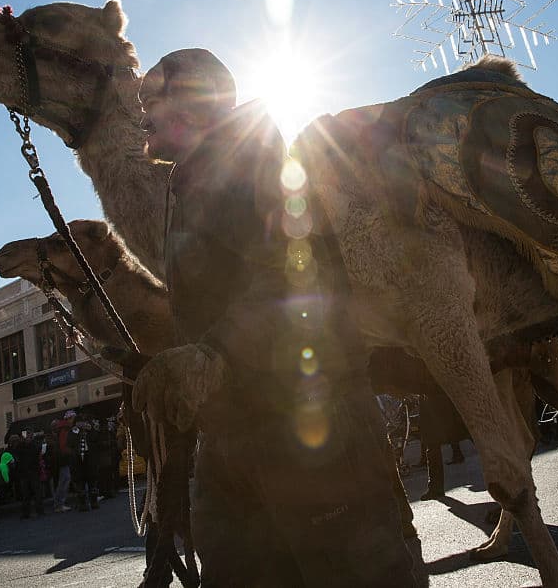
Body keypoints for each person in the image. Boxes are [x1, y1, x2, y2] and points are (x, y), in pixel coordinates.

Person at [133, 49, 416, 586]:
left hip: (312, 427)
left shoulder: (251, 165)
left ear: (194, 103)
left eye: (153, 94)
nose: (140, 109)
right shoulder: (191, 184)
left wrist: (214, 353)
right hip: (236, 435)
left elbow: (295, 276)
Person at [11, 431, 43, 518]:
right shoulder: (20, 446)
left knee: (35, 492)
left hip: (31, 471)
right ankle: (27, 512)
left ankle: (38, 510)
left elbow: (37, 451)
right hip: (25, 472)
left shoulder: (34, 445)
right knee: (26, 494)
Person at [50, 412, 76, 512]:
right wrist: (72, 452)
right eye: (72, 418)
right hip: (64, 458)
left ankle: (59, 503)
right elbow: (64, 446)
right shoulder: (65, 429)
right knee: (65, 480)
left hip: (61, 458)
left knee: (64, 480)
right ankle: (59, 503)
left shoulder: (62, 429)